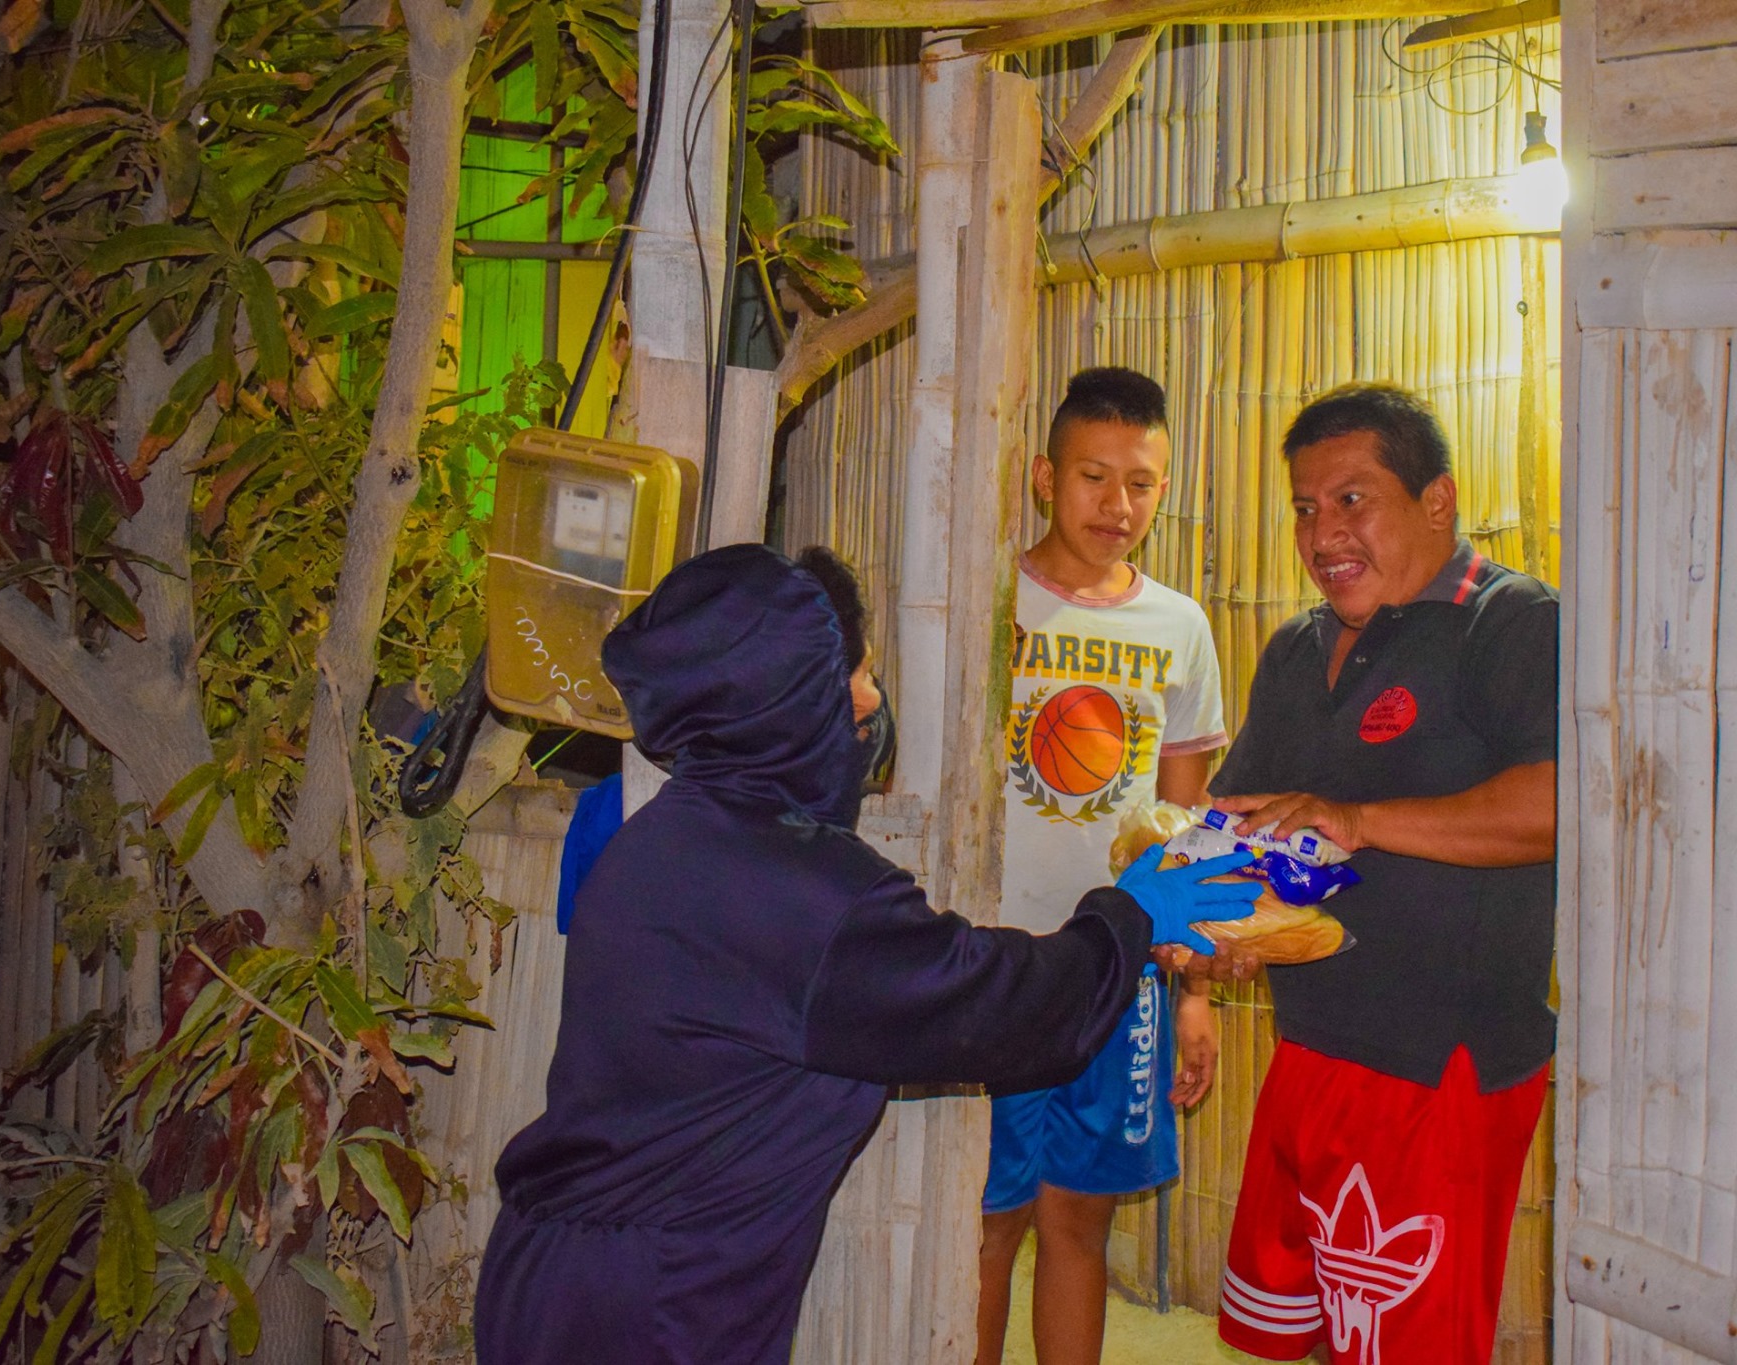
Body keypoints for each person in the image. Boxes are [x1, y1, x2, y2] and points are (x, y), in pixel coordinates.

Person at [472, 543, 1259, 1365]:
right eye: (857, 671)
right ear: (793, 696)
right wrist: (1131, 915)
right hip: (650, 1309)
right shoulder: (805, 894)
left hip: (556, 1275)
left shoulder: (663, 838)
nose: (873, 699)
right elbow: (999, 1008)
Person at [1202, 384, 1557, 1364]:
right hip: (1311, 1042)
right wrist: (1209, 918)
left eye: (1351, 500)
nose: (1322, 535)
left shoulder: (1509, 621)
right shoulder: (1294, 647)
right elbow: (1248, 820)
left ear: (1436, 501)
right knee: (1315, 1333)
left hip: (1437, 1067)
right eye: (1304, 508)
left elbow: (1557, 805)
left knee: (1404, 1342)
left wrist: (1358, 822)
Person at [978, 368, 1229, 1365]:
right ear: (1046, 477)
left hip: (1119, 970)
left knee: (1077, 1222)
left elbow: (1184, 828)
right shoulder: (987, 601)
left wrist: (1194, 991)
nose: (1116, 504)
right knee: (985, 1224)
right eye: (1093, 476)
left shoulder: (1180, 628)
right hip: (991, 962)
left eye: (1140, 483)